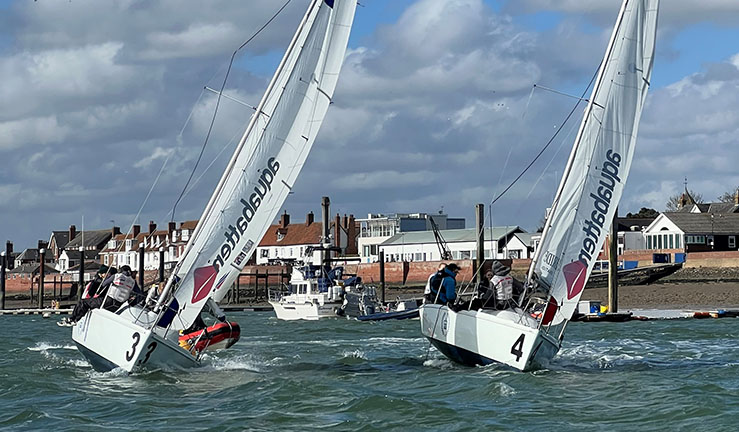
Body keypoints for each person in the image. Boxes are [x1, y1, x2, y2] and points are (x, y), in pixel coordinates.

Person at [63, 265, 136, 325]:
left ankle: (73, 319)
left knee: (83, 302)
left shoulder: (117, 276)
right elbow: (138, 293)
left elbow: (103, 284)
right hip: (119, 306)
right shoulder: (133, 282)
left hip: (108, 302)